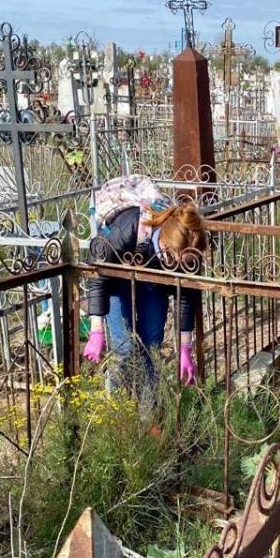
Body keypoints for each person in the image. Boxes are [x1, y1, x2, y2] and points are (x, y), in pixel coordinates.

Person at [82, 174, 207, 408]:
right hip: (117, 279)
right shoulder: (129, 228)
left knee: (152, 347)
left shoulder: (189, 252)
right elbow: (99, 274)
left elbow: (186, 297)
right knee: (124, 348)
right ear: (165, 243)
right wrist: (96, 330)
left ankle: (149, 413)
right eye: (175, 260)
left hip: (153, 283)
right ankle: (118, 410)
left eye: (186, 263)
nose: (182, 266)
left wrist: (185, 349)